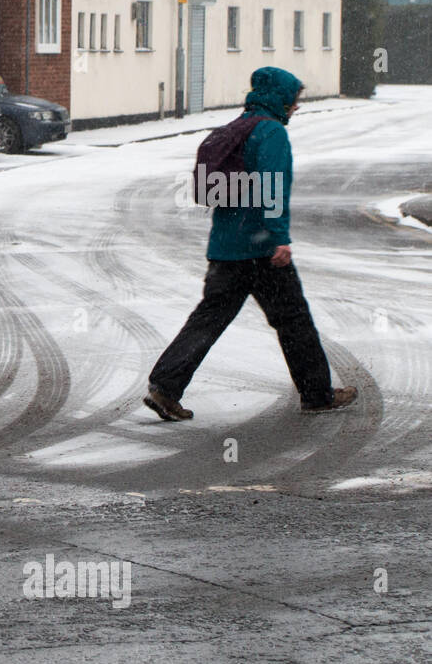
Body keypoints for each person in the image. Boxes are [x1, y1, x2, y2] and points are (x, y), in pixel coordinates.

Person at [143, 66, 357, 421]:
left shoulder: (233, 130)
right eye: (294, 100)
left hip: (226, 249)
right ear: (281, 99)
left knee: (208, 320)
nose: (296, 107)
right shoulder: (270, 132)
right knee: (294, 321)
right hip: (260, 250)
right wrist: (279, 238)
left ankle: (165, 387)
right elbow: (273, 186)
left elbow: (222, 192)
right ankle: (317, 394)